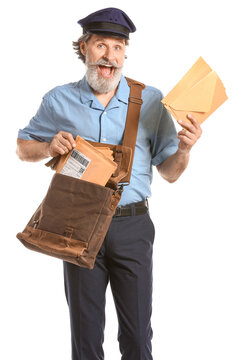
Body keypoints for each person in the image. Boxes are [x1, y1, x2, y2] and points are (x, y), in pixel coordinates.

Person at [16, 7, 202, 360]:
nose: (110, 56)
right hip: (76, 225)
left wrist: (185, 148)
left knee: (136, 337)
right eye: (101, 45)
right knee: (84, 337)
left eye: (118, 48)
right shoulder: (58, 100)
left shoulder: (150, 99)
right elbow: (23, 149)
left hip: (133, 226)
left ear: (125, 53)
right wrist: (47, 146)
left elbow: (171, 173)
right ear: (84, 47)